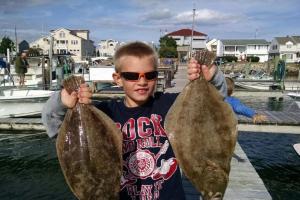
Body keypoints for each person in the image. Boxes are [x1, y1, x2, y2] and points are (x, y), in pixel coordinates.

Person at [42, 41, 227, 200]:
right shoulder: (103, 112)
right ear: (118, 79)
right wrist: (62, 101)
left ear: (157, 75)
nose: (142, 81)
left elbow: (216, 104)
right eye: (131, 76)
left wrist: (212, 79)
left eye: (150, 75)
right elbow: (55, 127)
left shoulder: (171, 104)